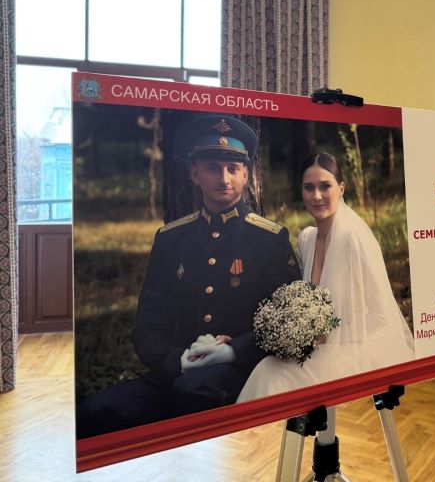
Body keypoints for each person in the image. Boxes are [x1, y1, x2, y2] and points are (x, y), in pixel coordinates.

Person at [76, 115, 301, 439]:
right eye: (212, 168)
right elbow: (147, 327)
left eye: (233, 168)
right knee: (93, 412)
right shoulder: (171, 239)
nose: (224, 178)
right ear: (194, 173)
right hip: (175, 371)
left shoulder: (269, 239)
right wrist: (178, 361)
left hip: (236, 373)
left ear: (246, 174)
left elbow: (288, 321)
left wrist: (233, 350)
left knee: (190, 396)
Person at [237, 152, 415, 401]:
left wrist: (328, 336)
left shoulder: (353, 237)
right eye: (309, 188)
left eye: (325, 186)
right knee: (267, 367)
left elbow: (382, 317)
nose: (317, 196)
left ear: (341, 189)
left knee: (274, 376)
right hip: (321, 350)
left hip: (358, 349)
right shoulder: (307, 239)